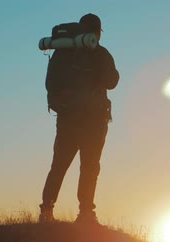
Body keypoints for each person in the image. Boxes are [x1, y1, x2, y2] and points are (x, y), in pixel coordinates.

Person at [39, 13, 119, 224]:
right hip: (94, 121)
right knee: (90, 167)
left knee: (59, 165)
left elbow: (50, 83)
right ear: (98, 32)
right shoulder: (100, 52)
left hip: (67, 119)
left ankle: (46, 210)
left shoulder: (61, 53)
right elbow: (112, 81)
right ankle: (85, 214)